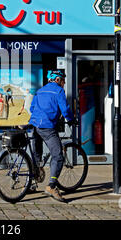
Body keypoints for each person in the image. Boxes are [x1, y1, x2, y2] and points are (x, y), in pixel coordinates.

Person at [28, 70, 76, 203]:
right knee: (58, 156)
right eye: (63, 80)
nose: (64, 83)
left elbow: (32, 108)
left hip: (34, 125)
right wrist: (71, 120)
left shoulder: (40, 90)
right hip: (47, 126)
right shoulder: (59, 91)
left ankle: (31, 183)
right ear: (57, 80)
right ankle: (52, 186)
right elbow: (65, 109)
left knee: (36, 156)